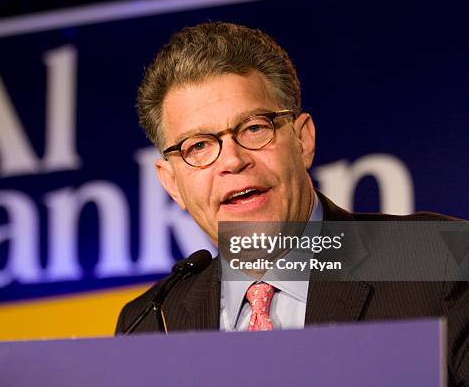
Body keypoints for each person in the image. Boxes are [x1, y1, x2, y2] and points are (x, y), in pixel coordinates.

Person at [115, 22, 468, 385]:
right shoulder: (148, 323)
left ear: (303, 140)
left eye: (254, 128)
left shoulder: (441, 261)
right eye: (199, 146)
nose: (232, 161)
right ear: (171, 182)